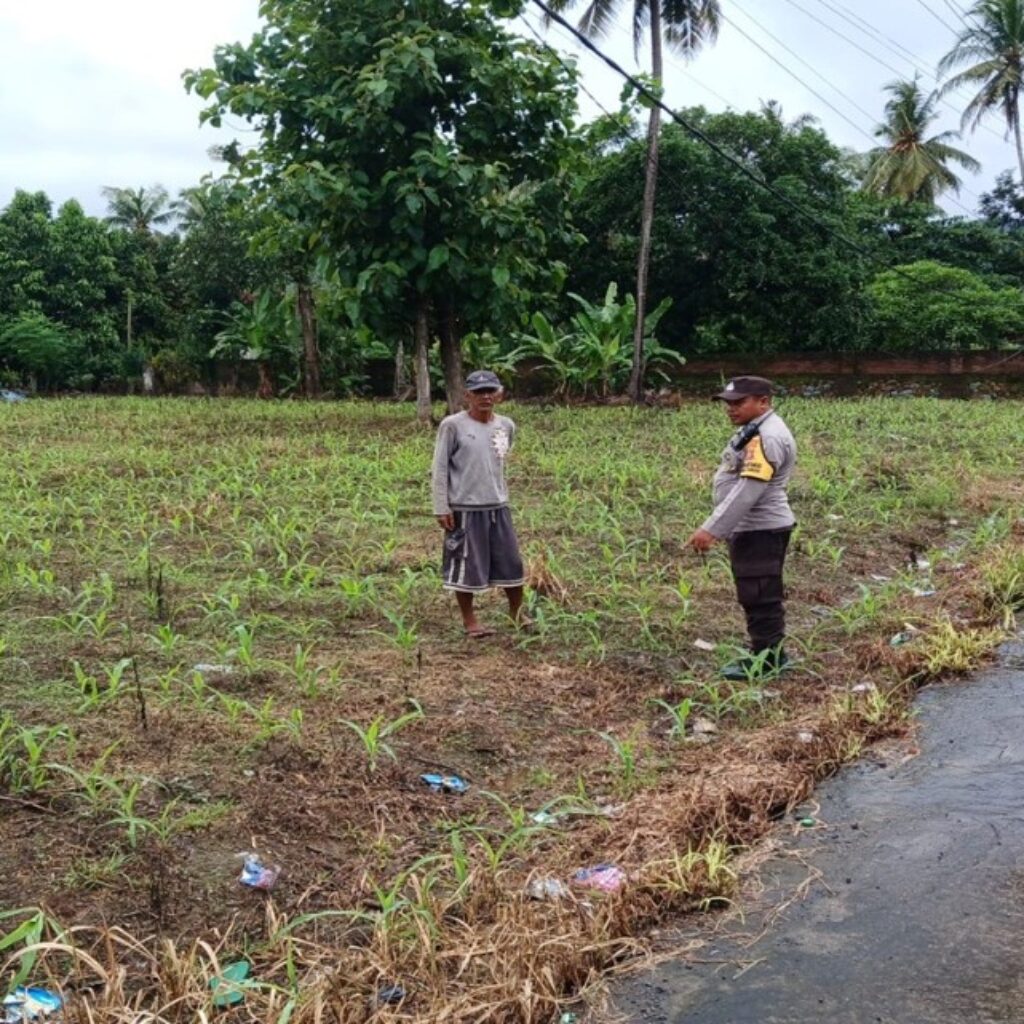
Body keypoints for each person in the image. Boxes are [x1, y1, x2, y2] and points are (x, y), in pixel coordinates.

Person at [687, 375, 797, 680]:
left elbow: (748, 490)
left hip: (760, 528)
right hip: (754, 527)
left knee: (759, 593)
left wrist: (712, 529)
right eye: (727, 403)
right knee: (756, 592)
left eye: (738, 403)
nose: (730, 409)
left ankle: (768, 660)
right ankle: (766, 652)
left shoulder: (768, 436)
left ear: (763, 402)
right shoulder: (757, 429)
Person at [431, 369, 527, 637]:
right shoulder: (453, 426)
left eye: (490, 391)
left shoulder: (506, 425)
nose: (485, 397)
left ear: (499, 394)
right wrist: (442, 506)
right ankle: (470, 621)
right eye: (479, 392)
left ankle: (517, 613)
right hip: (464, 508)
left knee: (511, 562)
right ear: (467, 395)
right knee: (467, 566)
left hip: (498, 504)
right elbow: (439, 469)